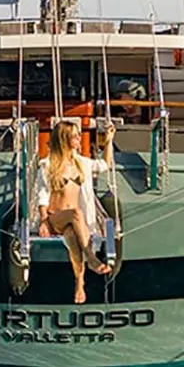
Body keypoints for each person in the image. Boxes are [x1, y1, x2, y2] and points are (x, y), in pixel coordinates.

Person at [36, 120, 115, 303]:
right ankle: (92, 258)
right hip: (56, 217)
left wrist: (109, 141)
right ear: (64, 139)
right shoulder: (49, 165)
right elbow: (42, 194)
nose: (80, 138)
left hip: (73, 222)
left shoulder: (82, 163)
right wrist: (43, 221)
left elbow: (104, 165)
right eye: (75, 136)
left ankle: (79, 284)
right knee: (76, 213)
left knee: (73, 239)